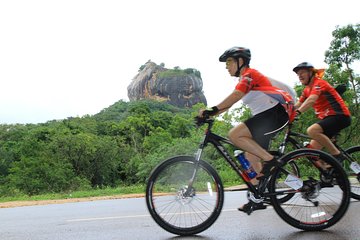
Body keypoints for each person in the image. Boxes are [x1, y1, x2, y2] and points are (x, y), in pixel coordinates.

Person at [198, 46, 295, 212]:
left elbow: (235, 97)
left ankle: (271, 160)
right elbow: (228, 105)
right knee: (250, 160)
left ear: (240, 61)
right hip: (266, 118)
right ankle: (258, 197)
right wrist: (208, 115)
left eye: (229, 62)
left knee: (235, 134)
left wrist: (212, 110)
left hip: (276, 113)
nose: (226, 66)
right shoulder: (242, 81)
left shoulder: (250, 75)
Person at [293, 62, 351, 161]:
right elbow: (298, 104)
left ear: (311, 72)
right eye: (298, 74)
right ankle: (329, 172)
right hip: (328, 119)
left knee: (312, 130)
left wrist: (298, 113)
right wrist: (284, 112)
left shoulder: (319, 83)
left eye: (302, 72)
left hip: (340, 116)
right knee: (311, 152)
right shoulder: (306, 90)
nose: (300, 76)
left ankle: (337, 155)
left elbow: (311, 100)